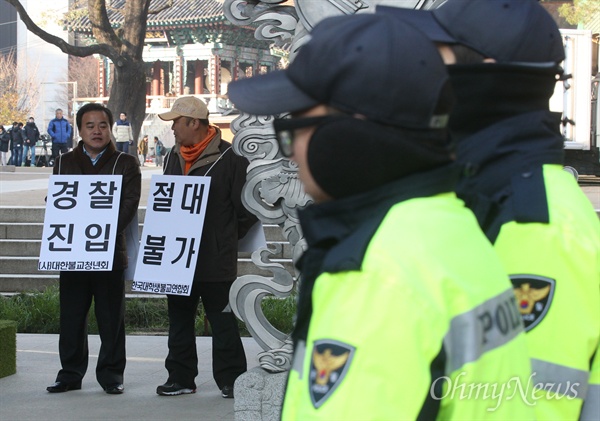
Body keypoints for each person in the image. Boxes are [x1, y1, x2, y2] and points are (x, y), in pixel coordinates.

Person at [227, 13, 534, 420]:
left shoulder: (375, 269)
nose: (291, 152)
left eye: (295, 127)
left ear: (350, 133)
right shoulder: (450, 228)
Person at [379, 1, 600, 419]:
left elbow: (521, 403)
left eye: (434, 54)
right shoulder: (479, 189)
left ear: (486, 70)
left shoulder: (536, 222)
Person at [156, 96, 258, 398]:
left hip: (215, 259)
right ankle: (180, 377)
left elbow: (247, 209)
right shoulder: (172, 156)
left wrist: (222, 237)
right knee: (179, 321)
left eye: (176, 122)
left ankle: (231, 379)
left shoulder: (231, 158)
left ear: (194, 123)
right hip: (177, 258)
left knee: (223, 321)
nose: (173, 128)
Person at [46, 103, 141, 395]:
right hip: (73, 252)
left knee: (111, 317)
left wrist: (100, 228)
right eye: (90, 126)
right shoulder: (63, 161)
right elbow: (61, 201)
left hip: (109, 251)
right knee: (72, 316)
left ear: (110, 128)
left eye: (102, 125)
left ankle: (112, 374)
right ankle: (70, 373)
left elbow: (129, 204)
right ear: (80, 130)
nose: (97, 131)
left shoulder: (124, 162)